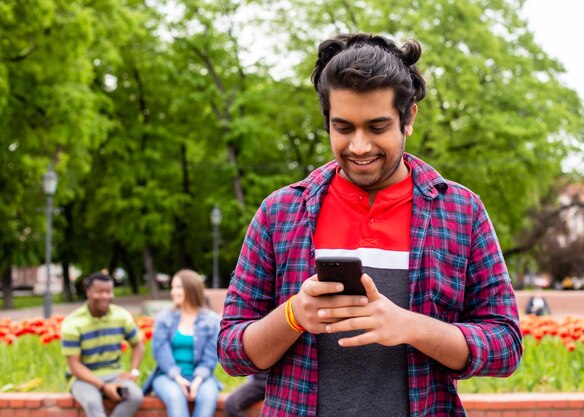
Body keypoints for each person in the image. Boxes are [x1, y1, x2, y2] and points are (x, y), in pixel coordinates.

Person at [218, 33, 523, 416]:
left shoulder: (463, 212)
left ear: (409, 118)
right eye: (343, 128)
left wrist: (411, 327)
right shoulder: (279, 212)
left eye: (377, 127)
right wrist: (294, 314)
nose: (359, 147)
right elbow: (231, 351)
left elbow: (506, 346)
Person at [61, 271, 144, 417]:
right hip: (83, 378)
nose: (105, 296)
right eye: (99, 292)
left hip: (115, 374)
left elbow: (138, 344)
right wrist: (104, 387)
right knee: (93, 402)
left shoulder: (121, 316)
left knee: (135, 396)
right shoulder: (73, 323)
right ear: (88, 292)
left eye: (109, 292)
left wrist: (134, 372)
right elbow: (74, 365)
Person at [143, 269, 221, 417]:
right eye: (173, 287)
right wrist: (178, 379)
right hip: (168, 377)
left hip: (201, 377)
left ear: (191, 289)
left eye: (178, 287)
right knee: (176, 397)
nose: (173, 292)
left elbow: (211, 357)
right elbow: (160, 353)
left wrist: (197, 381)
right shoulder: (164, 319)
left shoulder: (211, 321)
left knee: (208, 398)